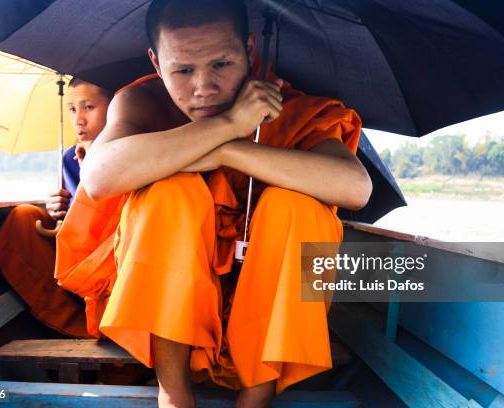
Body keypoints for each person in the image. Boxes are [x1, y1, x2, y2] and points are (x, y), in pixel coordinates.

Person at [56, 0, 372, 406]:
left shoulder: (289, 107)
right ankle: (172, 391)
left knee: (298, 208)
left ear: (251, 52)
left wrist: (228, 151)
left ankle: (256, 395)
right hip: (163, 299)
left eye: (221, 64)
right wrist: (227, 126)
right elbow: (100, 178)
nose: (203, 87)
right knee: (171, 193)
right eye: (183, 70)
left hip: (260, 302)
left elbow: (354, 187)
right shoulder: (143, 102)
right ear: (155, 61)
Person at [0, 78, 112, 337]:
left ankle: (105, 325)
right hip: (75, 255)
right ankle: (75, 324)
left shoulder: (128, 150)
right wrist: (58, 209)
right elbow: (68, 221)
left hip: (113, 255)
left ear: (115, 107)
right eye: (71, 109)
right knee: (24, 217)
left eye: (88, 107)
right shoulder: (69, 158)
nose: (78, 119)